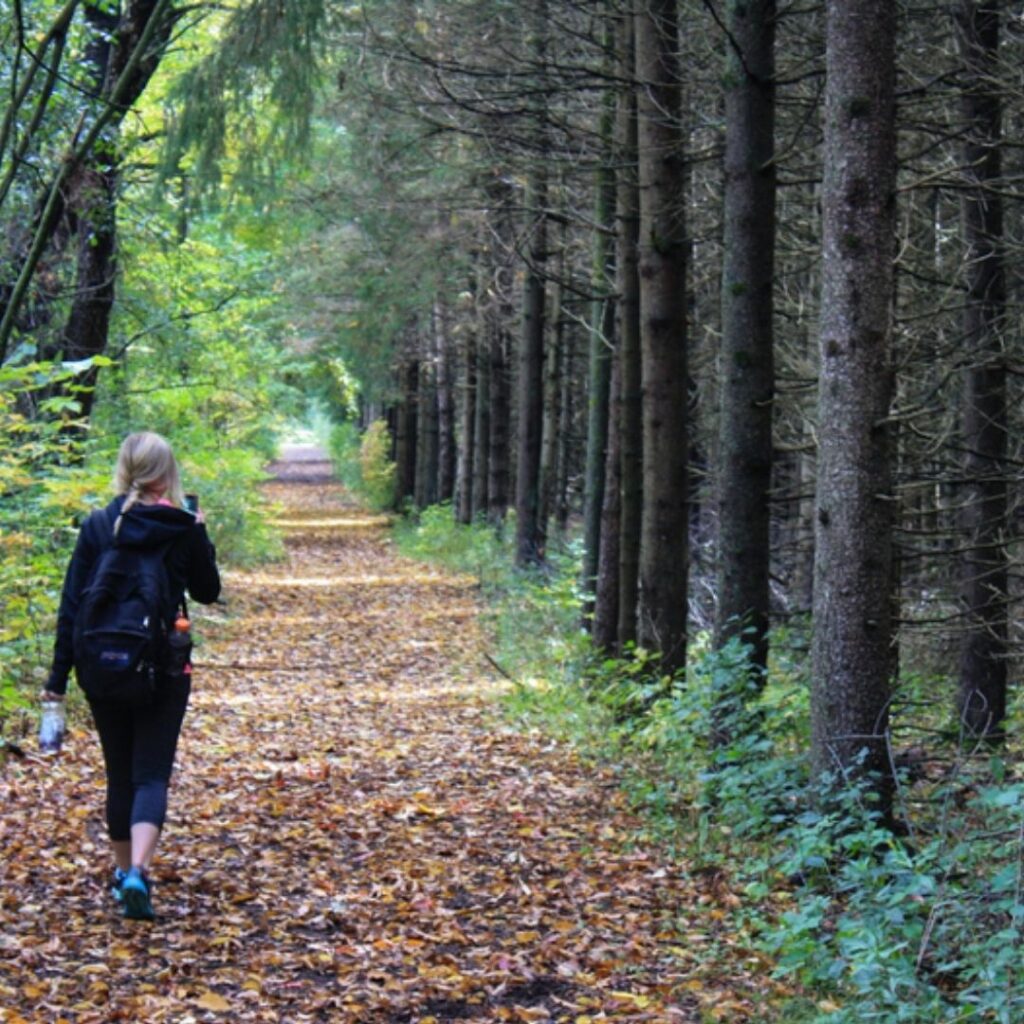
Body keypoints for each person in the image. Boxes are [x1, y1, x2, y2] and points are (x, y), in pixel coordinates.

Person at [42, 431, 220, 920]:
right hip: (164, 666)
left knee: (119, 774)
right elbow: (207, 591)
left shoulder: (99, 525)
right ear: (167, 473)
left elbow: (72, 605)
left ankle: (123, 877)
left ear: (124, 470)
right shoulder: (180, 526)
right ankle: (140, 869)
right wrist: (199, 532)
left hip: (102, 668)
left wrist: (58, 678)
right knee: (150, 774)